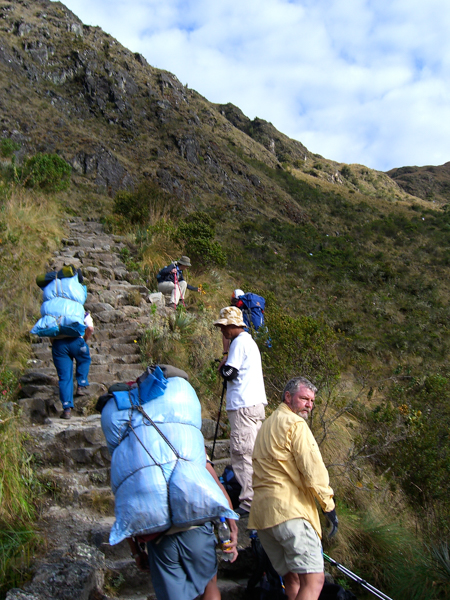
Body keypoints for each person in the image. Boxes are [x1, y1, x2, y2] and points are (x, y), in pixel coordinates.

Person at [248, 376, 338, 600]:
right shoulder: (296, 425)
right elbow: (313, 470)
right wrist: (328, 507)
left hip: (263, 518)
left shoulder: (266, 425)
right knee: (314, 581)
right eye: (304, 398)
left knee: (292, 579)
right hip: (290, 513)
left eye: (312, 401)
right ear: (288, 396)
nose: (309, 404)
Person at [128, 457, 238, 600]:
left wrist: (136, 551)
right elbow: (217, 486)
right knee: (209, 585)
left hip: (160, 536)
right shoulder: (188, 439)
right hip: (196, 528)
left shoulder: (135, 445)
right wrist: (232, 528)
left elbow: (125, 506)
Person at [214, 306, 267, 516]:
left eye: (224, 327)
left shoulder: (239, 343)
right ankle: (256, 499)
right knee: (251, 453)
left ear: (234, 325)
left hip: (243, 406)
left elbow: (230, 372)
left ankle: (248, 503)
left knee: (242, 454)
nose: (222, 332)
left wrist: (221, 367)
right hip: (253, 405)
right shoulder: (250, 342)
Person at [51, 310, 94, 420]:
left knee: (64, 377)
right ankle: (81, 385)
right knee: (84, 359)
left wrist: (56, 344)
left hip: (59, 345)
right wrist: (84, 340)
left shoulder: (54, 312)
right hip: (77, 341)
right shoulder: (80, 311)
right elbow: (90, 328)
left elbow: (50, 331)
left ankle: (67, 410)